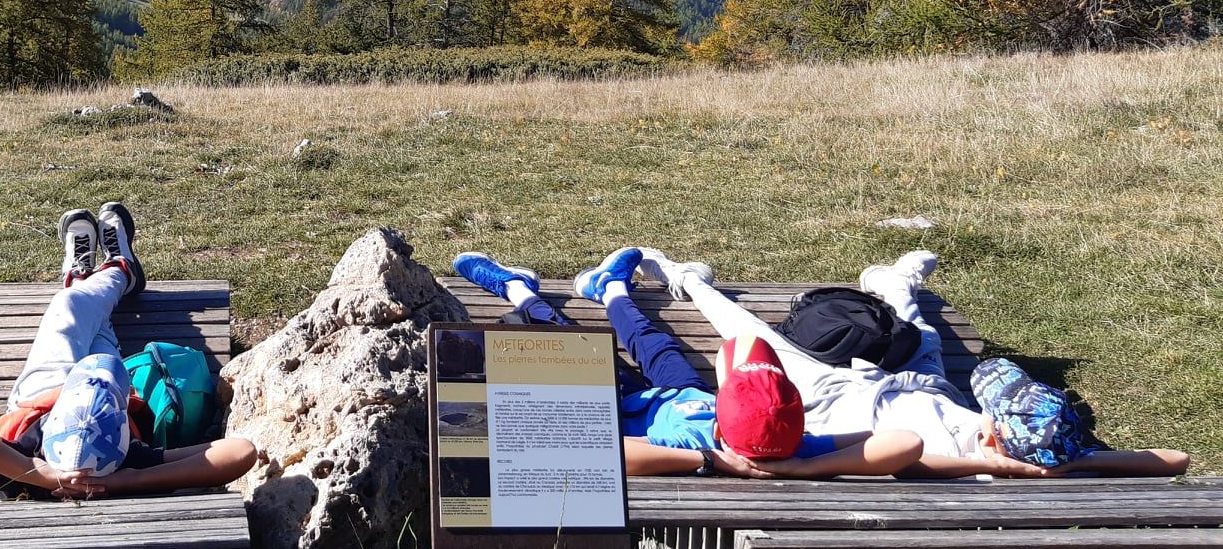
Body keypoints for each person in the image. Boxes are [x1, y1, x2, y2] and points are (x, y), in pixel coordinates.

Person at [638, 246, 1191, 478]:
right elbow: (1175, 459)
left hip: (837, 401)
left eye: (994, 416)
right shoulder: (1048, 449)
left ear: (995, 437)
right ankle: (893, 281)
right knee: (918, 333)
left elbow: (908, 458)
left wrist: (996, 467)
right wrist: (1072, 463)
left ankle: (687, 280)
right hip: (922, 388)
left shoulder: (963, 463)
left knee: (749, 335)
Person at [452, 247, 923, 479]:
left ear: (722, 423)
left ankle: (517, 288)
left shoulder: (688, 443)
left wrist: (708, 459)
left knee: (567, 340)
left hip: (619, 402)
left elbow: (601, 452)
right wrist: (801, 469)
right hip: (681, 392)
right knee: (652, 342)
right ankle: (609, 288)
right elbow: (906, 442)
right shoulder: (792, 447)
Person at [0, 202, 257, 500]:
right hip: (90, 393)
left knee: (68, 305)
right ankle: (116, 271)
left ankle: (94, 276)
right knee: (95, 323)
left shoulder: (17, 468)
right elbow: (241, 451)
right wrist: (130, 480)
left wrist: (35, 472)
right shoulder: (126, 463)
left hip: (41, 392)